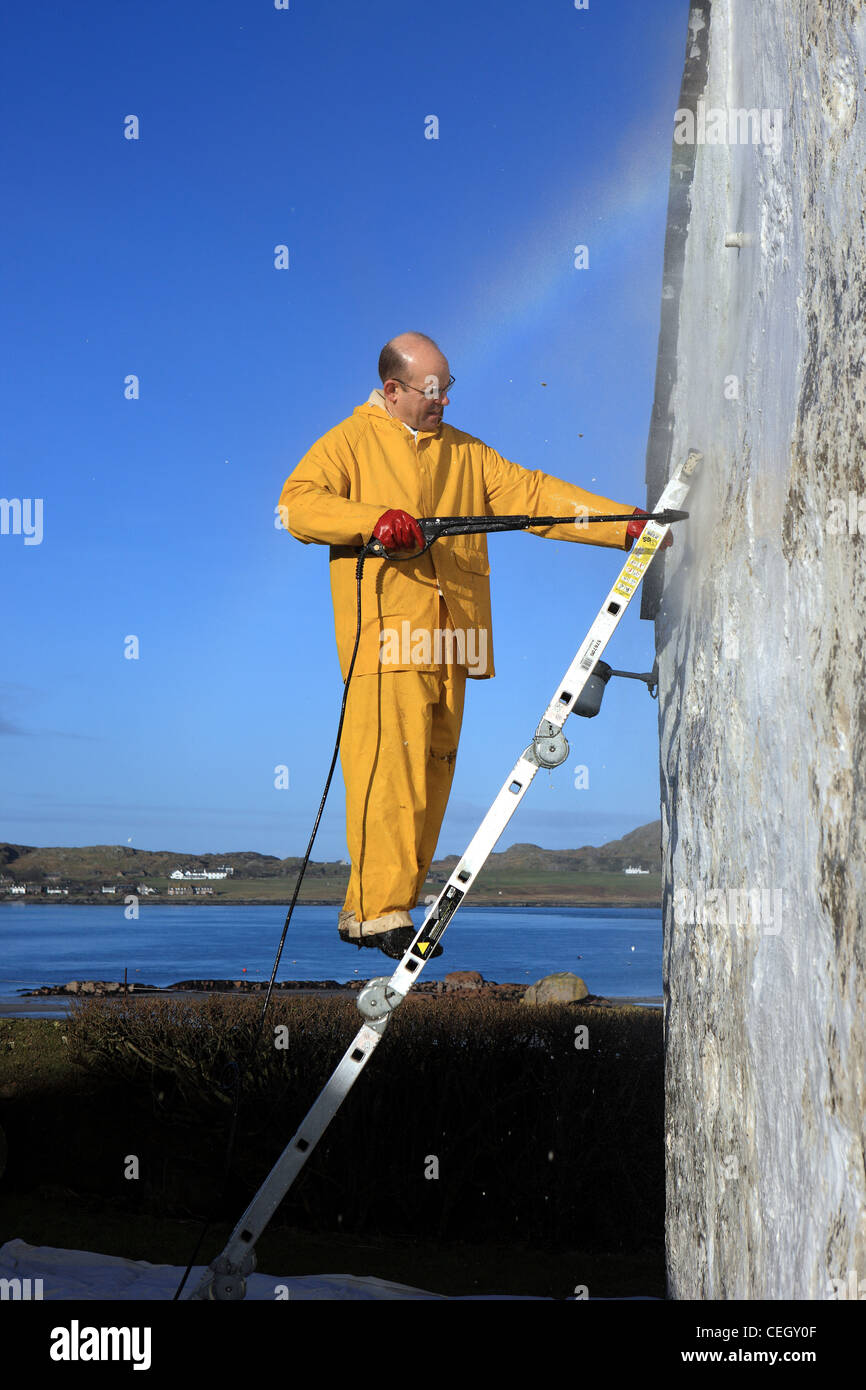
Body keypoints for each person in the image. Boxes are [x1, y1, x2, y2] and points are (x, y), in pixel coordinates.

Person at [278, 332, 668, 960]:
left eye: (447, 387)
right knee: (390, 772)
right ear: (393, 390)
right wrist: (373, 520)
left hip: (452, 640)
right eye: (431, 390)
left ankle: (376, 908)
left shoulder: (467, 454)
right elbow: (298, 506)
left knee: (432, 776)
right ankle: (378, 910)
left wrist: (621, 524)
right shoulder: (348, 442)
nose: (442, 401)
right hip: (386, 639)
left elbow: (535, 499)